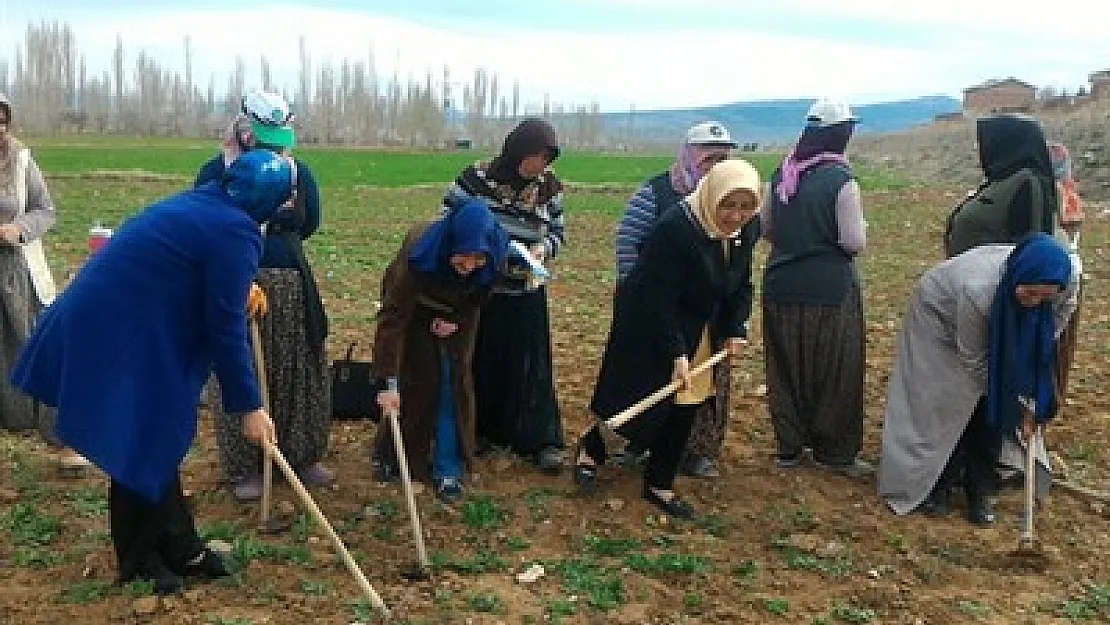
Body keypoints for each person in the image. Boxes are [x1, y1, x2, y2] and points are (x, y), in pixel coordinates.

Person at [10, 150, 291, 594]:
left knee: (154, 434)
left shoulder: (207, 204)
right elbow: (225, 326)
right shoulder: (235, 230)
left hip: (119, 322)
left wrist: (238, 286)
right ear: (270, 204)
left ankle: (180, 545)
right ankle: (140, 558)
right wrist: (250, 406)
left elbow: (200, 273)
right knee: (137, 436)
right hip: (114, 333)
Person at [572, 159, 761, 519]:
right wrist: (675, 352)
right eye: (729, 205)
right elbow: (657, 299)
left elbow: (742, 283)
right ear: (711, 197)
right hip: (648, 322)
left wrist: (736, 326)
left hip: (700, 324)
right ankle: (592, 449)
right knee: (641, 399)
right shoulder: (675, 230)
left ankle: (660, 482)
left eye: (745, 206)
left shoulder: (748, 230)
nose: (736, 216)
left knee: (687, 401)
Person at [879, 234, 1078, 525]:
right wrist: (1009, 397)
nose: (1035, 303)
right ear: (1016, 279)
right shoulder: (978, 290)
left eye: (1043, 297)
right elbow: (974, 360)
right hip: (941, 321)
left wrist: (1027, 383)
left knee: (992, 413)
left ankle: (980, 488)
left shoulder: (1063, 282)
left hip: (1000, 319)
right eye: (1029, 294)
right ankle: (938, 483)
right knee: (952, 402)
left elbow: (1052, 328)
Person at [196, 91, 332, 501]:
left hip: (290, 280)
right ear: (244, 128)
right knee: (244, 368)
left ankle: (300, 456)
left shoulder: (299, 173)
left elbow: (309, 223)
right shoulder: (215, 171)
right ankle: (245, 467)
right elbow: (205, 224)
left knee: (298, 365)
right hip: (234, 278)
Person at [441, 118, 566, 473]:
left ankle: (539, 439)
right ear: (517, 152)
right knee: (483, 359)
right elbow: (447, 220)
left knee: (530, 365)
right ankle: (479, 431)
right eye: (536, 156)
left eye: (547, 158)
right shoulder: (475, 180)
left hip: (526, 288)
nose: (541, 165)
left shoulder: (551, 189)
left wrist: (543, 249)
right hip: (483, 289)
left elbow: (558, 231)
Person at [614, 121, 737, 478]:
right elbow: (627, 246)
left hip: (706, 309)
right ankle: (639, 442)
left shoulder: (731, 200)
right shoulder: (655, 193)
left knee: (704, 382)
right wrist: (640, 298)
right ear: (688, 154)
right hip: (657, 309)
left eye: (721, 158)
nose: (713, 165)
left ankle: (697, 451)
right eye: (706, 157)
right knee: (652, 378)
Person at [760, 98, 871, 476]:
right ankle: (835, 452)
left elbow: (768, 230)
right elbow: (853, 241)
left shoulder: (781, 175)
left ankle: (789, 447)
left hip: (780, 285)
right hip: (829, 290)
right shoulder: (842, 182)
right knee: (836, 370)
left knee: (786, 367)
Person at [370, 199, 509, 502]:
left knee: (452, 386)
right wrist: (387, 381)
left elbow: (481, 295)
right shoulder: (418, 255)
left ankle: (449, 468)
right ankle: (395, 456)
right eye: (463, 259)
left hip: (460, 317)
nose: (469, 267)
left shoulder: (495, 253)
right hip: (413, 310)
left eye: (477, 260)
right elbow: (393, 319)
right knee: (415, 381)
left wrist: (455, 320)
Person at [0, 93, 89, 471]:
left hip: (13, 269)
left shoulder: (20, 160)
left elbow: (45, 209)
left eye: (1, 121)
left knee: (32, 343)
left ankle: (62, 439)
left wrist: (18, 228)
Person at [944, 113, 1058, 259]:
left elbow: (1032, 249)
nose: (978, 148)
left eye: (986, 141)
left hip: (992, 280)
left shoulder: (1027, 183)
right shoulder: (1002, 179)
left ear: (1005, 142)